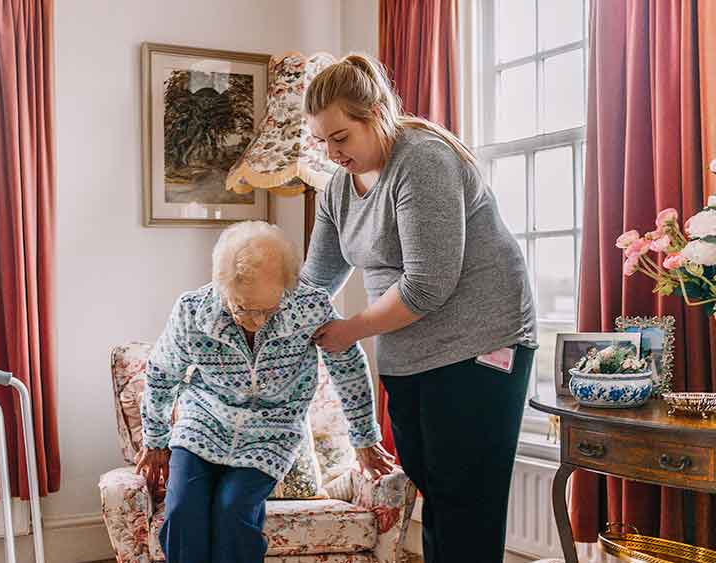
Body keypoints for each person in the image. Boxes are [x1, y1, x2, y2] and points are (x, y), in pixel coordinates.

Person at [301, 53, 538, 563]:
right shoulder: (338, 190)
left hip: (483, 340)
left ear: (374, 115)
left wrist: (350, 331)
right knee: (433, 486)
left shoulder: (422, 160)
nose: (331, 152)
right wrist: (251, 314)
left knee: (466, 497)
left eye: (340, 137)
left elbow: (429, 285)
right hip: (408, 349)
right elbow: (315, 279)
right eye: (321, 142)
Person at [136, 221, 394, 563]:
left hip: (272, 431)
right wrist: (155, 440)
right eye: (241, 308)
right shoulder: (192, 311)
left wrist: (364, 438)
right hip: (203, 424)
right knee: (184, 510)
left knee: (233, 511)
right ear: (221, 285)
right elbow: (162, 373)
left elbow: (347, 367)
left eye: (266, 311)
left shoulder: (309, 307)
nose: (254, 321)